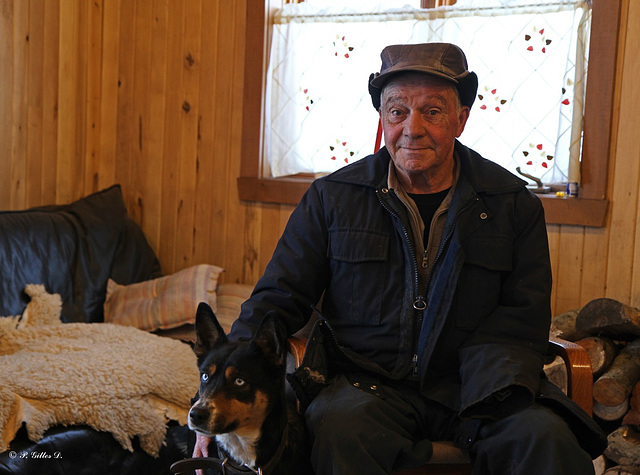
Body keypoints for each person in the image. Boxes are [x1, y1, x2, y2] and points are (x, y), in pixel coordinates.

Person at [194, 42, 606, 474]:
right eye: (397, 111)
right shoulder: (333, 198)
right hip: (366, 386)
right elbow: (277, 297)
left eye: (432, 111)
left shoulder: (512, 204)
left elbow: (525, 317)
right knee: (337, 430)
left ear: (461, 119)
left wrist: (490, 387)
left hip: (481, 389)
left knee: (547, 440)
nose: (412, 128)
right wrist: (217, 390)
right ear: (383, 118)